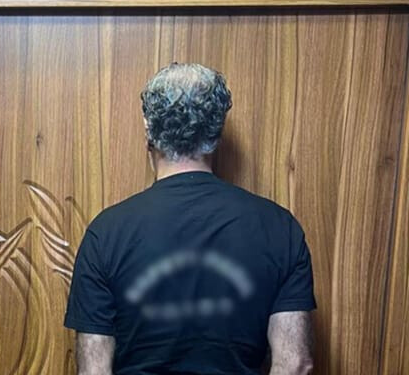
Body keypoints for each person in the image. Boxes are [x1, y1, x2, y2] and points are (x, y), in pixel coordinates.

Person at [64, 63, 316, 375]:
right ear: (216, 132)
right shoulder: (280, 229)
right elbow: (295, 363)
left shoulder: (105, 233)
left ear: (148, 130)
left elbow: (93, 371)